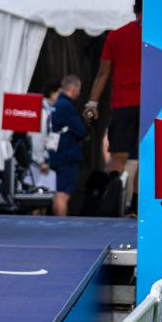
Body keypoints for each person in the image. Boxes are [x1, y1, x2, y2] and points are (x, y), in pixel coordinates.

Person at [83, 0, 142, 209]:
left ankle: (112, 203)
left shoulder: (116, 36)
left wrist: (91, 104)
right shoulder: (159, 36)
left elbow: (103, 73)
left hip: (123, 104)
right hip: (151, 104)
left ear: (134, 8)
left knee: (118, 157)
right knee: (147, 159)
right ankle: (136, 208)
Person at [49, 75, 88, 217]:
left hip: (55, 153)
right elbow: (81, 130)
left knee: (56, 194)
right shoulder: (66, 106)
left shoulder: (55, 104)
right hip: (66, 154)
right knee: (63, 195)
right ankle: (61, 225)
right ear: (74, 88)